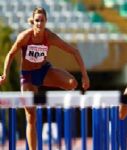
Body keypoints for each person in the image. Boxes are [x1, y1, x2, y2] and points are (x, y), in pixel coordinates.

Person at [0, 7, 90, 149]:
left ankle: (65, 103)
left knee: (73, 83)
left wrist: (85, 76)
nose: (39, 24)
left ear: (46, 22)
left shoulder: (50, 37)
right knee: (31, 117)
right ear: (33, 22)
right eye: (37, 20)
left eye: (42, 21)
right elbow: (11, 54)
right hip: (28, 77)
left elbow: (75, 51)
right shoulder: (25, 36)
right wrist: (5, 73)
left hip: (44, 71)